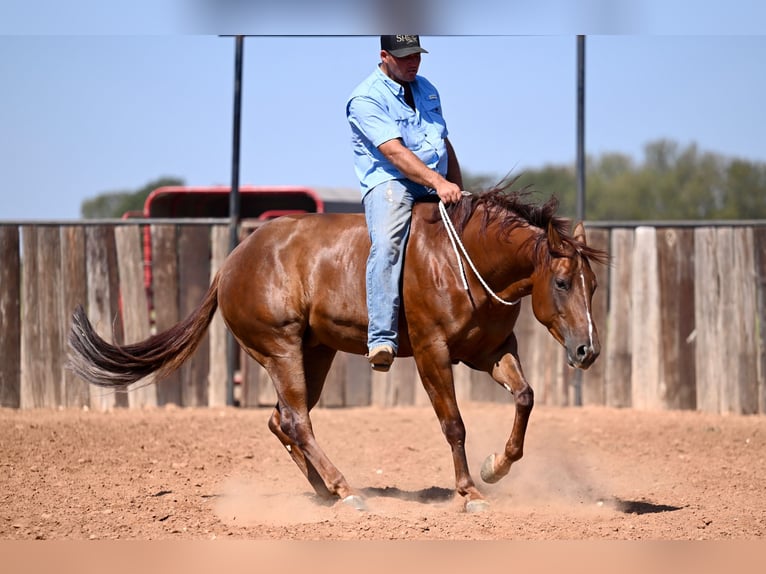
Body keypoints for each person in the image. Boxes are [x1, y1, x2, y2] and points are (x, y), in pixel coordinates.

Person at [346, 35, 464, 372]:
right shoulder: (365, 97)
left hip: (433, 181)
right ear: (384, 56)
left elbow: (443, 142)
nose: (413, 62)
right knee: (387, 243)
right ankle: (381, 337)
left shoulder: (427, 88)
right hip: (391, 183)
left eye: (417, 55)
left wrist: (458, 187)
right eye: (404, 57)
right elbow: (395, 153)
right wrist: (438, 182)